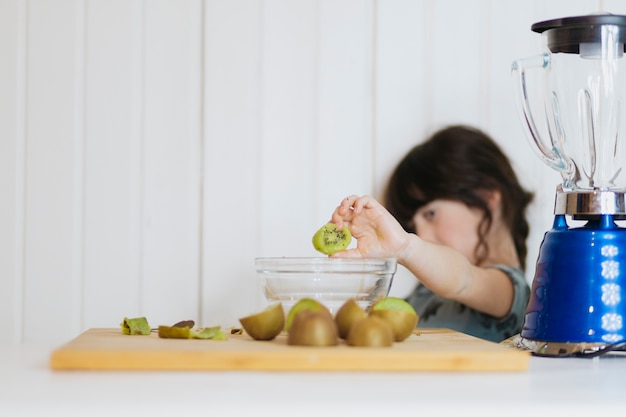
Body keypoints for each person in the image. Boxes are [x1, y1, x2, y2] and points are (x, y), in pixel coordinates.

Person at [329, 125, 533, 342]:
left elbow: (463, 279)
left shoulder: (510, 291)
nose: (421, 235)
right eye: (412, 227)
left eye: (431, 214)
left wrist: (406, 247)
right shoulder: (422, 296)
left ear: (487, 195)